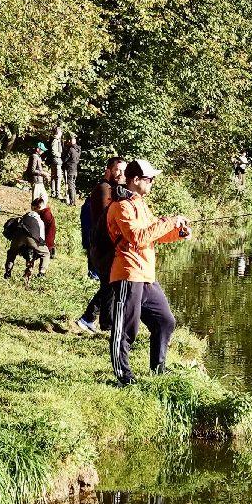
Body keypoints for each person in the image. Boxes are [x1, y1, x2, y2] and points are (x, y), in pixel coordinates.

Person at [105, 160, 188, 385]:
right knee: (125, 330)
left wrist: (177, 232)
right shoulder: (121, 206)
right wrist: (169, 221)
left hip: (146, 275)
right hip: (128, 273)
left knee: (165, 321)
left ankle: (158, 369)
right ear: (135, 180)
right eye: (150, 179)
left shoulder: (140, 204)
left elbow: (154, 233)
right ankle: (123, 377)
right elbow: (138, 237)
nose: (152, 183)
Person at [76, 156, 128, 335]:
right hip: (103, 247)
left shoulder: (112, 189)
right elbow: (107, 219)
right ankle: (103, 323)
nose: (121, 174)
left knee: (110, 284)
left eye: (124, 171)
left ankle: (91, 319)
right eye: (118, 170)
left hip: (107, 246)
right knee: (111, 284)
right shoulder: (104, 189)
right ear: (108, 171)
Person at [3, 201, 49, 278]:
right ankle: (42, 273)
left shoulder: (23, 217)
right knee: (45, 253)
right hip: (31, 236)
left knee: (12, 252)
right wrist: (41, 246)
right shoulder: (39, 220)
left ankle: (8, 272)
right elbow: (41, 238)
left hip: (18, 234)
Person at [61, 135, 82, 205]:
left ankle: (72, 202)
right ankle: (73, 201)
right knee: (73, 185)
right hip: (75, 169)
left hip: (70, 169)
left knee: (70, 186)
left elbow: (66, 158)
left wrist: (62, 163)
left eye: (69, 140)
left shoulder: (71, 149)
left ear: (71, 141)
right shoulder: (78, 149)